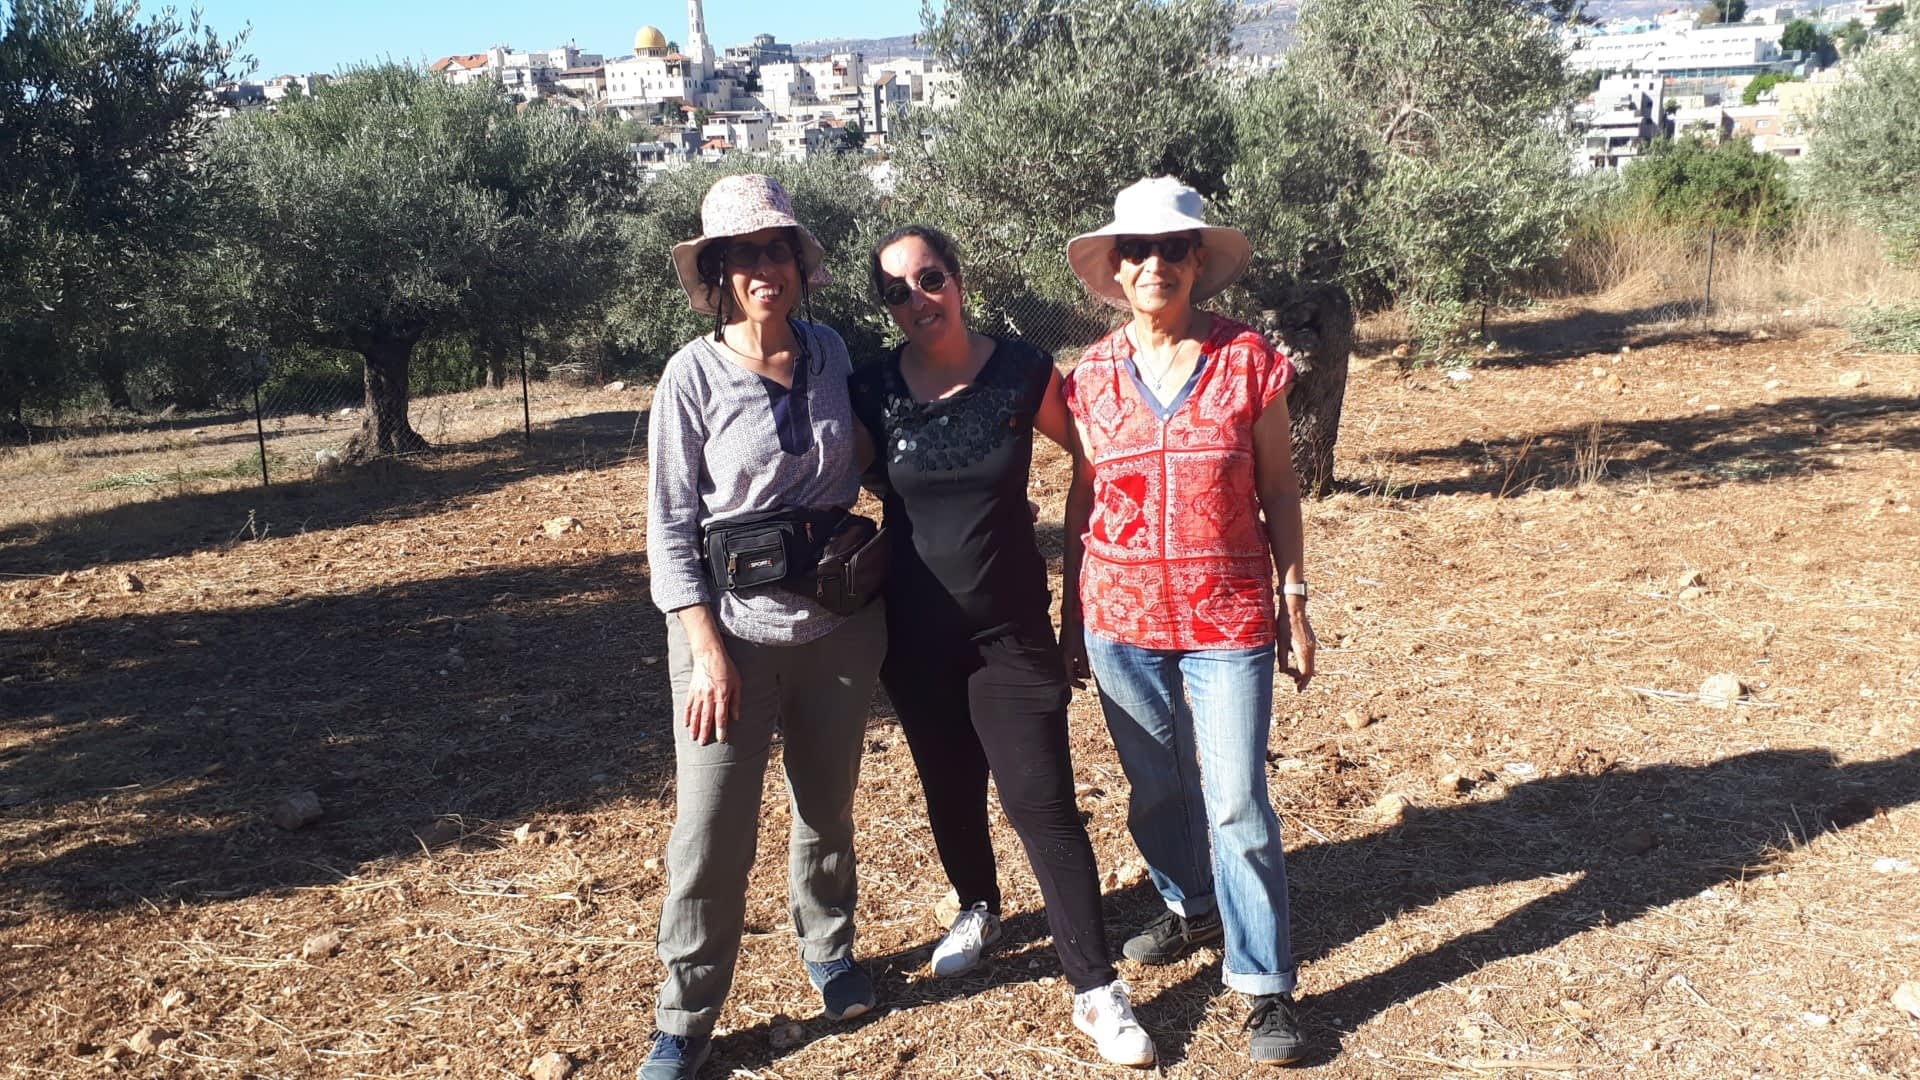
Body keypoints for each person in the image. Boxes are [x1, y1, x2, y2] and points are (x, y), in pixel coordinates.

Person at [846, 225, 1156, 1068]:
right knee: (947, 784)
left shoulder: (1021, 370)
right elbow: (847, 473)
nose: (917, 300)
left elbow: (1090, 459)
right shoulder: (871, 385)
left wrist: (1079, 598)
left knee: (1042, 803)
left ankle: (1096, 990)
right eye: (895, 291)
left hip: (1012, 632)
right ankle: (975, 904)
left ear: (960, 277)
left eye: (931, 278)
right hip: (913, 632)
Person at [1059, 176, 1319, 1067]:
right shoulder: (1090, 376)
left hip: (1230, 614)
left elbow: (1281, 490)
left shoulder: (1248, 360)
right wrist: (1068, 614)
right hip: (1119, 615)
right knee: (1158, 789)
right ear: (1117, 267)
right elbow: (1084, 496)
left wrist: (1295, 599)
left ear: (1198, 262)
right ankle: (1186, 905)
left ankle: (1265, 985)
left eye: (1174, 249)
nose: (1156, 264)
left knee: (1238, 798)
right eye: (1139, 249)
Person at [641, 174, 886, 1080]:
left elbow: (865, 448)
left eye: (775, 250)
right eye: (741, 256)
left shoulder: (829, 351)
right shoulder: (692, 375)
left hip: (839, 626)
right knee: (711, 830)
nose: (761, 269)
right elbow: (668, 528)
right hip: (727, 639)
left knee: (827, 806)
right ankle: (686, 1015)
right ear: (716, 274)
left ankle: (829, 951)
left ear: (798, 262)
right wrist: (705, 651)